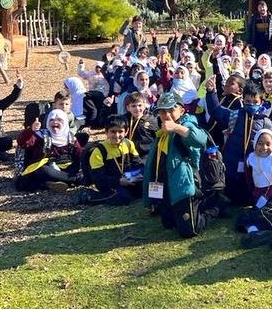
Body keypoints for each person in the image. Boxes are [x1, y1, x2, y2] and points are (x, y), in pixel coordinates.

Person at [142, 92, 222, 238]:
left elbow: (200, 139)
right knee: (168, 224)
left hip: (183, 186)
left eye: (171, 110)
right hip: (166, 186)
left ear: (182, 110)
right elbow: (152, 166)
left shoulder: (186, 123)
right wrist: (150, 198)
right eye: (162, 111)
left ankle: (215, 207)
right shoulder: (161, 133)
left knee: (189, 231)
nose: (167, 115)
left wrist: (176, 128)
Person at [79, 115, 144, 206]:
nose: (117, 135)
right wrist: (119, 181)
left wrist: (138, 175)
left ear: (126, 132)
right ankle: (90, 195)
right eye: (113, 132)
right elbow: (98, 178)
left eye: (120, 131)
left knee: (144, 190)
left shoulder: (129, 144)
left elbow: (138, 164)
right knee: (123, 198)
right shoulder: (99, 151)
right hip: (110, 182)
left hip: (127, 178)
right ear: (106, 132)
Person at [16, 109, 83, 192]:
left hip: (64, 167)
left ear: (65, 123)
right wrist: (31, 130)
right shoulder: (40, 136)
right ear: (47, 122)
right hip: (44, 168)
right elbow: (22, 142)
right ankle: (74, 180)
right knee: (43, 171)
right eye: (51, 120)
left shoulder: (71, 138)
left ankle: (51, 184)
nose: (55, 122)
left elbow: (79, 155)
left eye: (59, 120)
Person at [122, 91, 158, 157]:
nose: (137, 108)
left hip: (146, 156)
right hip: (127, 154)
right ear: (128, 108)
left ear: (144, 105)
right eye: (133, 106)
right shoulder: (124, 120)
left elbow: (157, 139)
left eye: (140, 105)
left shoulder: (152, 120)